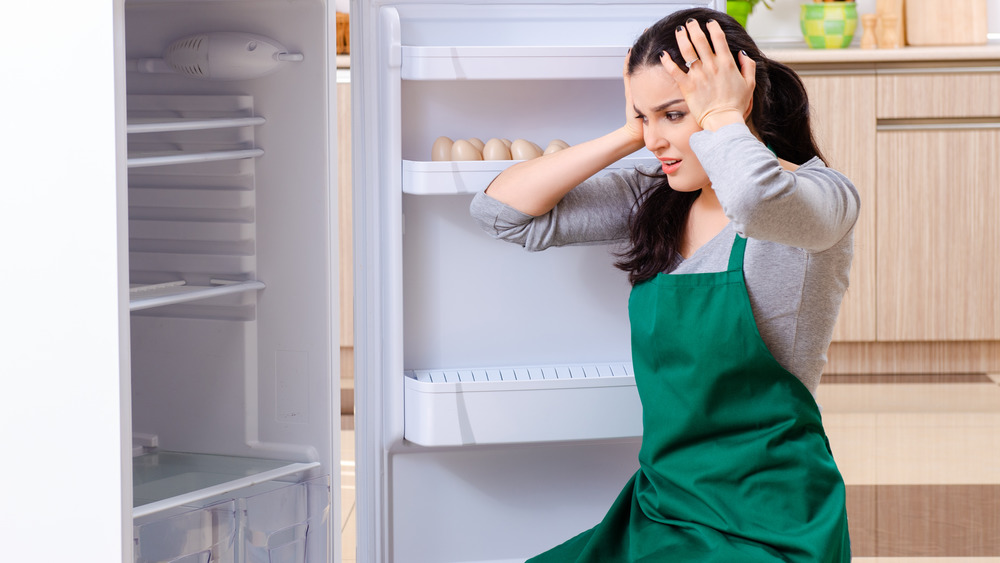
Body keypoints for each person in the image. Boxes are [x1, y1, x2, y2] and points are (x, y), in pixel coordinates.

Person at [469, 7, 857, 563]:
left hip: (769, 519)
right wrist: (635, 130)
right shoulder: (656, 199)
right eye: (646, 118)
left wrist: (724, 112)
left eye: (675, 114)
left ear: (740, 96)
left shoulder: (821, 199)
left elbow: (753, 200)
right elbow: (501, 212)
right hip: (663, 506)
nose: (658, 140)